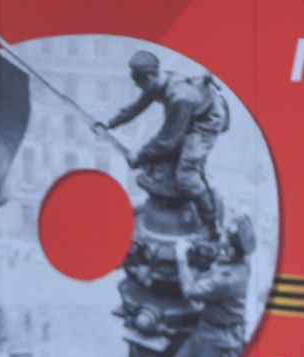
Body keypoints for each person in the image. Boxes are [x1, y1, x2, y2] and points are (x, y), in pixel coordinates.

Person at [96, 50, 231, 231]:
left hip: (207, 121)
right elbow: (136, 107)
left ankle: (211, 221)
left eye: (140, 84)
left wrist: (140, 156)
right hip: (192, 112)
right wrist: (110, 123)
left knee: (186, 174)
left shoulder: (178, 97)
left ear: (150, 78)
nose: (140, 89)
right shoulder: (158, 82)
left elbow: (168, 141)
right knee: (167, 160)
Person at [167, 215, 253, 357]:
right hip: (205, 330)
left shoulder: (228, 279)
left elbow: (190, 291)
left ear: (231, 250)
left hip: (220, 342)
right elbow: (218, 258)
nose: (221, 237)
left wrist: (181, 258)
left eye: (225, 237)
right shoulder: (237, 260)